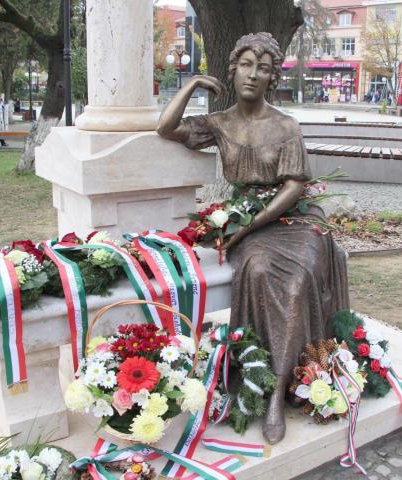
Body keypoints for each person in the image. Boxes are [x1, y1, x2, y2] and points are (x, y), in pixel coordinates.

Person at [156, 32, 350, 445]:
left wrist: (248, 225)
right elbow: (166, 127)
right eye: (246, 65)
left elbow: (295, 185)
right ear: (233, 70)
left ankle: (279, 390)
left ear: (272, 78)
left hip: (293, 220)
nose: (253, 74)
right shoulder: (220, 123)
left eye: (263, 68)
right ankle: (257, 373)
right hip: (247, 222)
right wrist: (192, 83)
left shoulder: (285, 125)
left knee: (297, 281)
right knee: (258, 269)